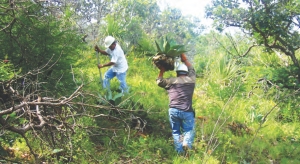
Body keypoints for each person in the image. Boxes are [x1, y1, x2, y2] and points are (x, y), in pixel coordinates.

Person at [156, 54, 196, 154]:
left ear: (177, 73)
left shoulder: (171, 81)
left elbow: (159, 82)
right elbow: (192, 69)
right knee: (188, 130)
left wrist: (162, 70)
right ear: (186, 73)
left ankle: (180, 152)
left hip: (173, 110)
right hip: (187, 111)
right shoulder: (191, 80)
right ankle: (186, 142)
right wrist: (185, 60)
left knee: (176, 131)